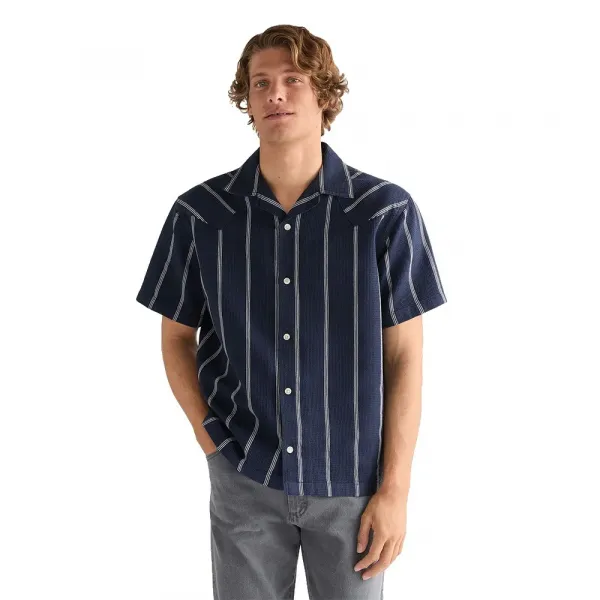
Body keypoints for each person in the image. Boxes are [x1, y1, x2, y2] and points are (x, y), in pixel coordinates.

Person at [136, 23, 447, 600]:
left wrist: (395, 489)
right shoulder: (201, 215)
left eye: (293, 79)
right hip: (244, 473)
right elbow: (175, 335)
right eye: (260, 83)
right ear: (247, 101)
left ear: (324, 94)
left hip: (352, 483)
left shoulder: (384, 213)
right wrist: (212, 442)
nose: (275, 94)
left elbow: (404, 355)